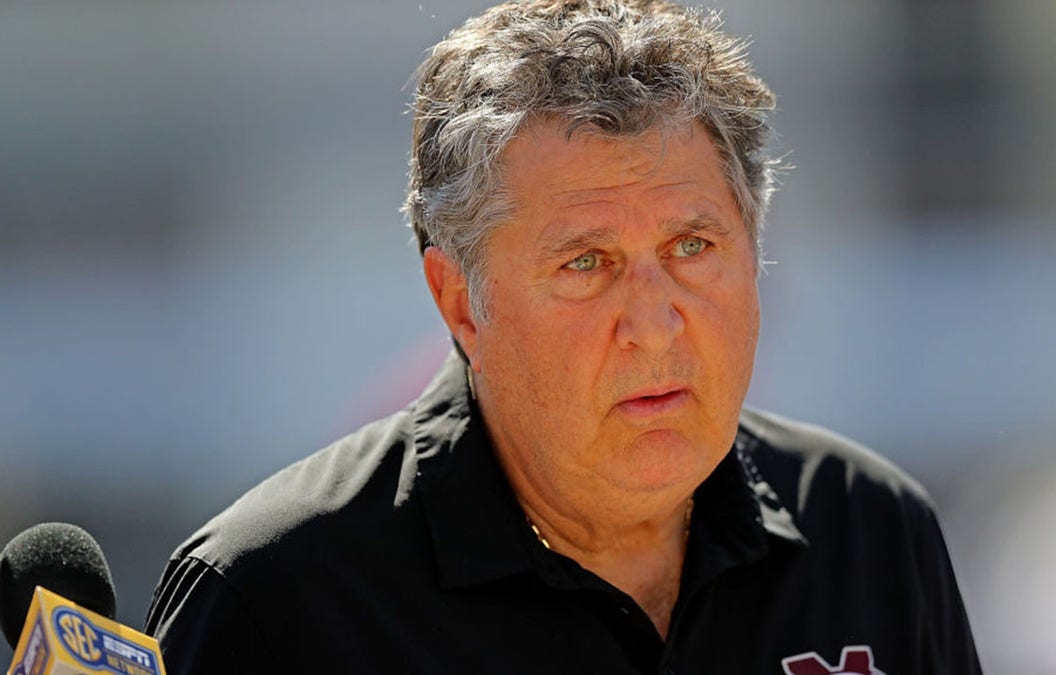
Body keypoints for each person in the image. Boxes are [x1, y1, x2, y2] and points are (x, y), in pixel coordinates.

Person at [145, 1, 982, 673]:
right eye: (588, 264)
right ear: (459, 301)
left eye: (692, 248)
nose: (652, 324)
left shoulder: (870, 530)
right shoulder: (272, 596)